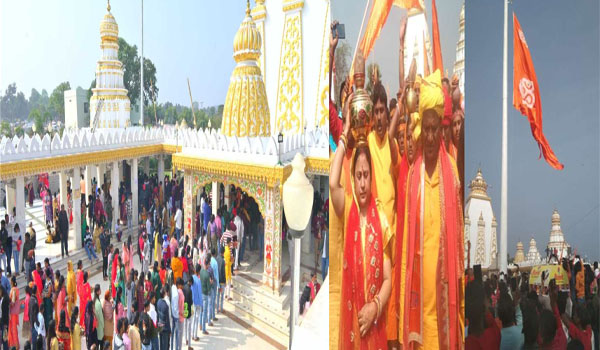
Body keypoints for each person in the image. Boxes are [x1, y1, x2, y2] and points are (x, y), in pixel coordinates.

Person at [398, 70, 464, 349]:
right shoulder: (413, 177)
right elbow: (405, 249)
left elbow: (459, 247)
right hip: (419, 297)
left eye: (435, 128)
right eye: (425, 128)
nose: (429, 134)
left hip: (445, 295)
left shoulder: (453, 175)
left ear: (442, 129)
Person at [330, 89, 394, 350]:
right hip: (352, 322)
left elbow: (388, 279)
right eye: (358, 176)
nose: (364, 183)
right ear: (353, 178)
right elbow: (333, 182)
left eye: (367, 175)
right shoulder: (348, 210)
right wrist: (345, 133)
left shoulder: (382, 218)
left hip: (374, 322)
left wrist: (375, 307)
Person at [191, 265, 203, 341]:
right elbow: (200, 293)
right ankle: (195, 335)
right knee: (196, 319)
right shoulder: (198, 281)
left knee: (193, 319)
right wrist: (201, 305)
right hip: (197, 302)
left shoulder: (192, 278)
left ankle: (192, 334)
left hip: (192, 301)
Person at [200, 259, 211, 336]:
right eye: (208, 265)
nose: (209, 266)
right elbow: (209, 287)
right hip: (205, 294)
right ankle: (204, 328)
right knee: (204, 312)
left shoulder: (201, 271)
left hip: (201, 293)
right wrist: (210, 283)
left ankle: (200, 324)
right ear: (206, 265)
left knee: (201, 310)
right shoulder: (207, 274)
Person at [182, 276, 193, 350]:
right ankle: (189, 344)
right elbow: (190, 302)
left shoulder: (184, 288)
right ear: (191, 282)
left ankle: (185, 339)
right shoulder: (189, 290)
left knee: (185, 324)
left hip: (184, 308)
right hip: (188, 309)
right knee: (189, 326)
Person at [8, 276, 19, 349]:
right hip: (15, 312)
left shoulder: (13, 290)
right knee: (13, 328)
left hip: (13, 312)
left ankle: (15, 345)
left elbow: (13, 301)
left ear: (12, 282)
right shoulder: (16, 289)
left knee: (13, 329)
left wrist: (8, 303)